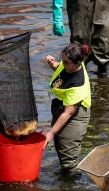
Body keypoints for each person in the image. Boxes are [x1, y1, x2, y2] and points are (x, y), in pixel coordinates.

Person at [52, 0, 109, 75]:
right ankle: (78, 78)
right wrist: (57, 16)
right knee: (79, 47)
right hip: (79, 5)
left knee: (103, 46)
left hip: (105, 5)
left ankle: (103, 80)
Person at [44, 42, 91, 174]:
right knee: (60, 145)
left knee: (68, 160)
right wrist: (52, 63)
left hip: (75, 116)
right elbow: (59, 67)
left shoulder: (77, 84)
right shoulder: (68, 65)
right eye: (63, 60)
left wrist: (51, 133)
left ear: (78, 63)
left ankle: (73, 182)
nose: (64, 65)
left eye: (67, 62)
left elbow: (68, 113)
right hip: (63, 109)